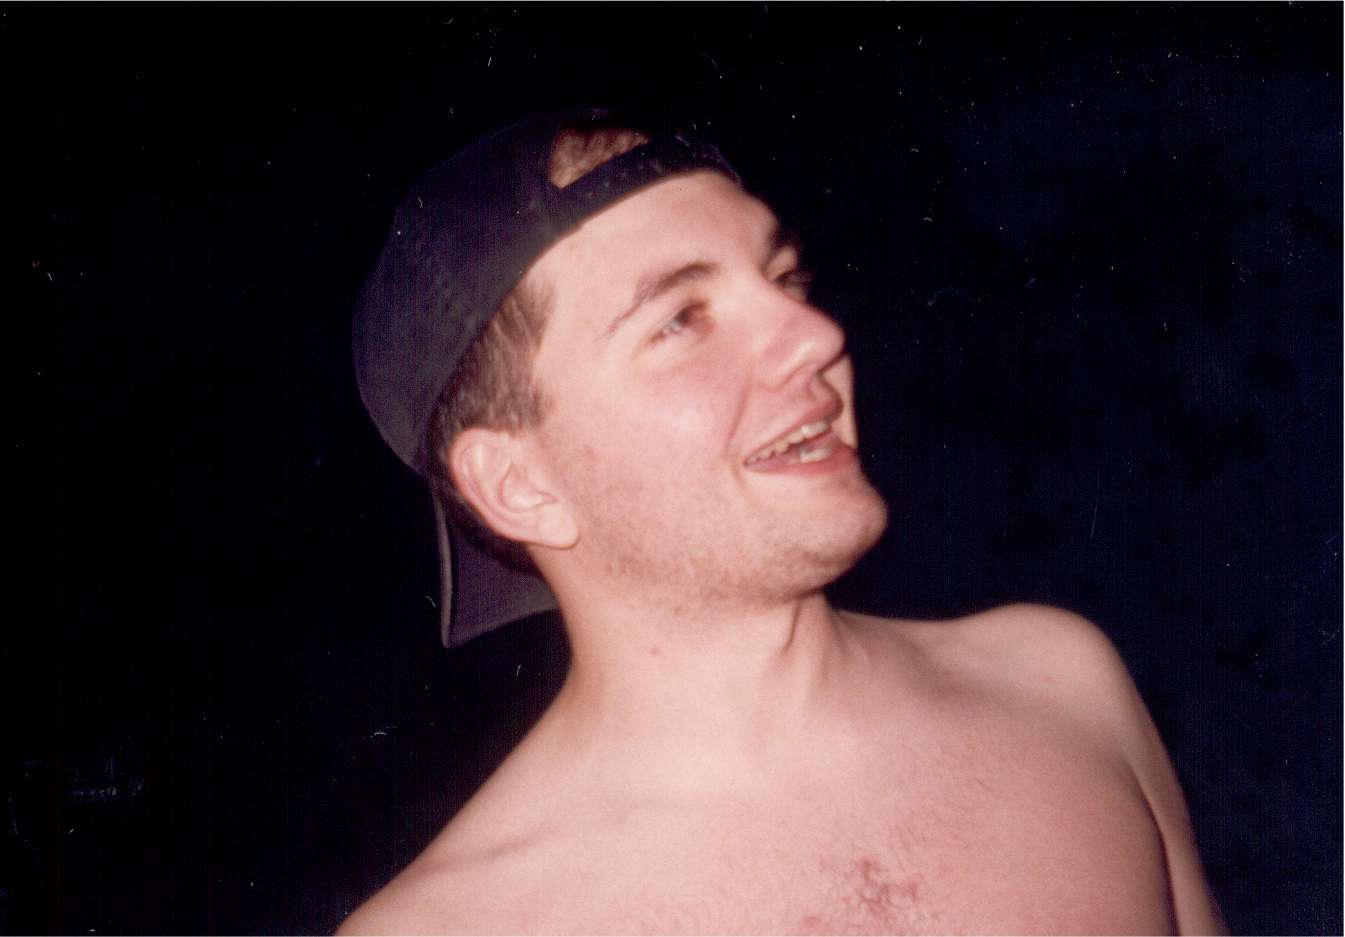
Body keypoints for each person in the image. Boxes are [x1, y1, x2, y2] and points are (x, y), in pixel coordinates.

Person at [344, 108, 1225, 935]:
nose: (814, 334)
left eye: (783, 278)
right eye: (680, 321)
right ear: (519, 484)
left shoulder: (1061, 685)